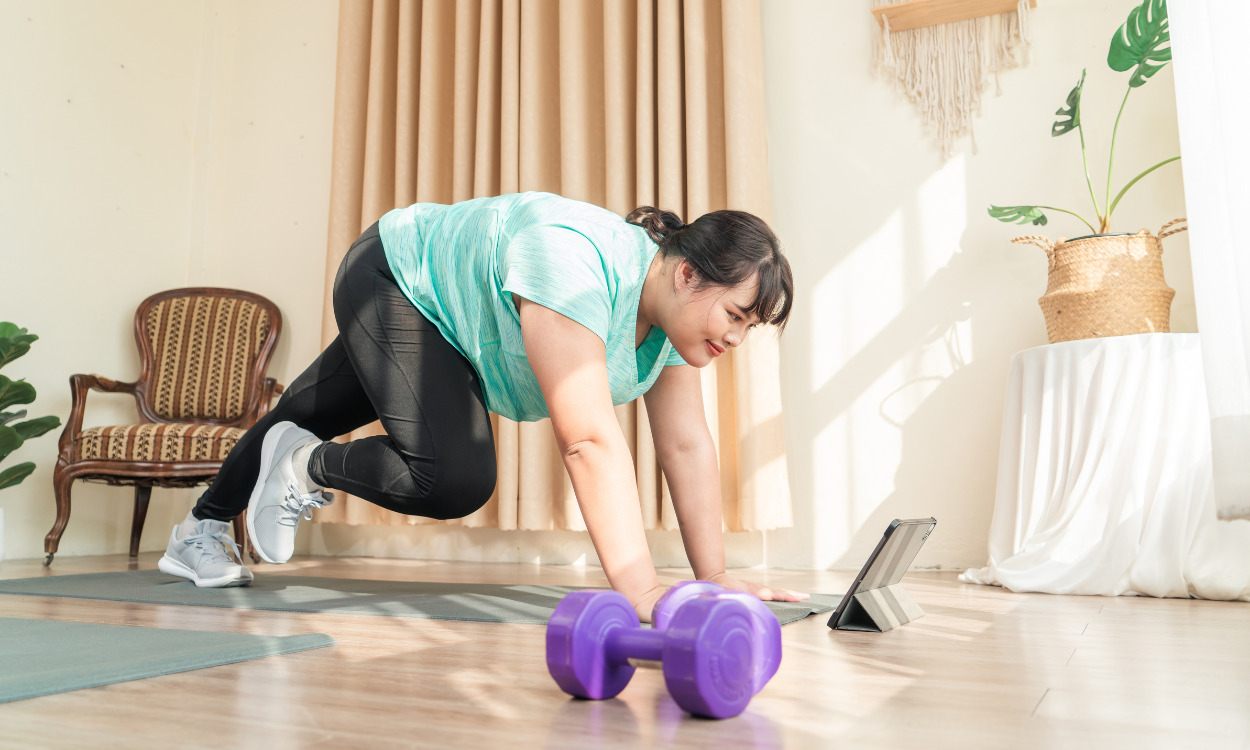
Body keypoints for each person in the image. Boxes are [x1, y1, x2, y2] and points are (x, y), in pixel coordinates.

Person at [157, 191, 808, 619]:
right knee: (451, 477)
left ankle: (199, 531)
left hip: (455, 327)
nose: (734, 337)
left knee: (307, 412)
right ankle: (301, 469)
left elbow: (686, 445)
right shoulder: (577, 263)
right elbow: (587, 440)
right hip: (399, 275)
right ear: (688, 274)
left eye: (750, 327)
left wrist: (714, 578)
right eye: (735, 315)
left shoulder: (671, 327)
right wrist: (641, 590)